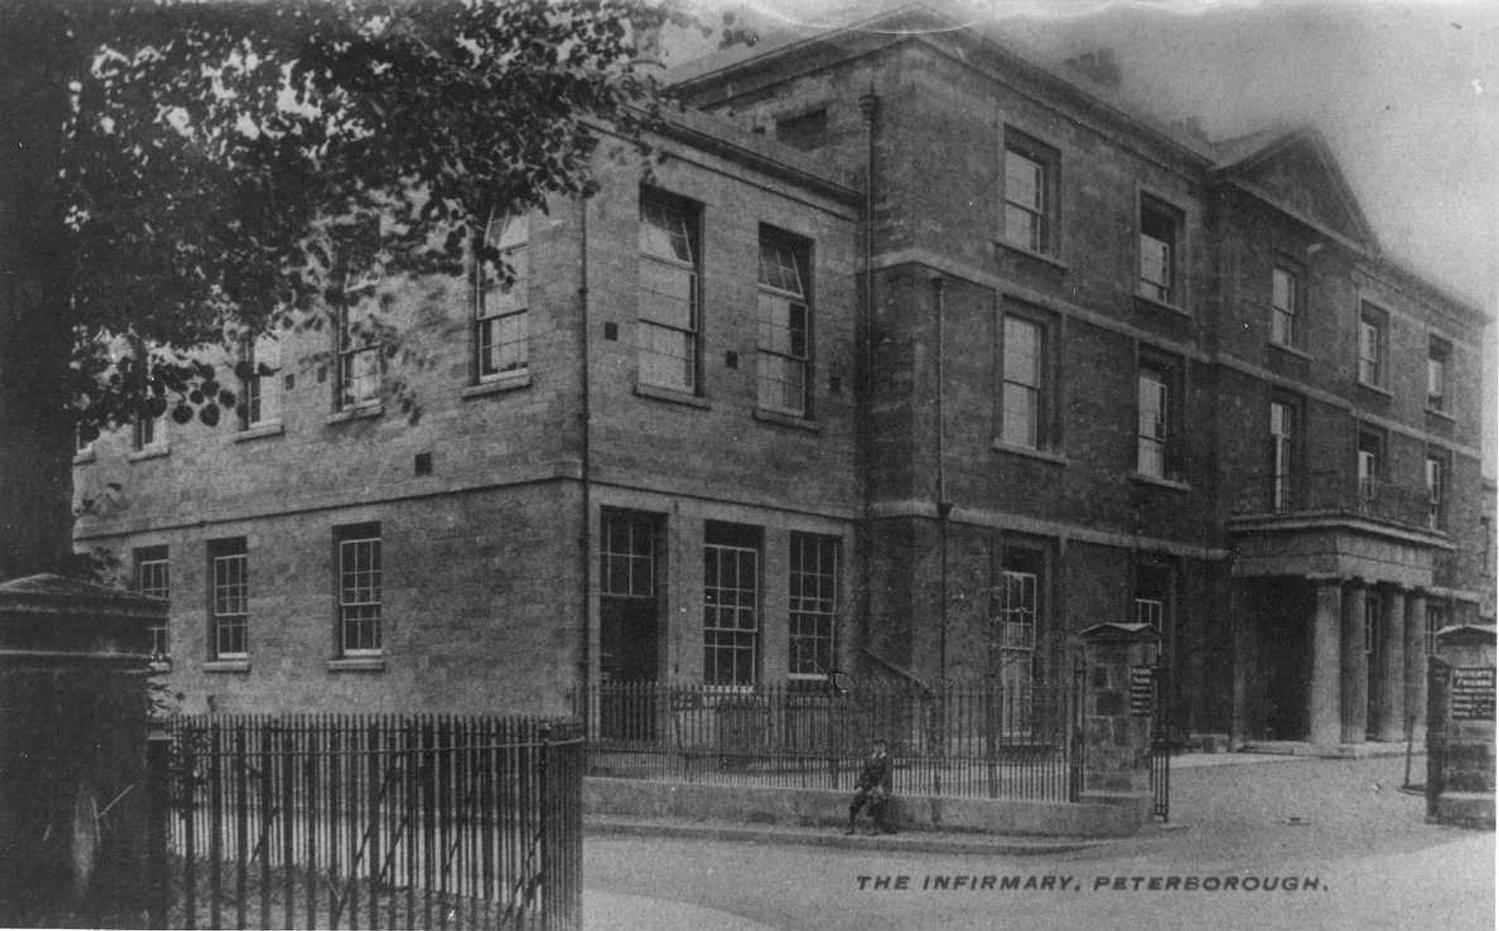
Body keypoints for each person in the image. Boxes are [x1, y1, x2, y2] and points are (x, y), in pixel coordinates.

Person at [845, 738, 895, 835]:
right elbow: (865, 773)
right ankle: (851, 827)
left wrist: (880, 786)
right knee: (855, 802)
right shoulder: (869, 759)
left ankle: (876, 828)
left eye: (881, 746)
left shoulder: (887, 759)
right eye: (876, 746)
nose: (878, 748)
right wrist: (859, 783)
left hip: (882, 788)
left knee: (877, 801)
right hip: (869, 787)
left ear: (884, 747)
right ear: (873, 747)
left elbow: (887, 775)